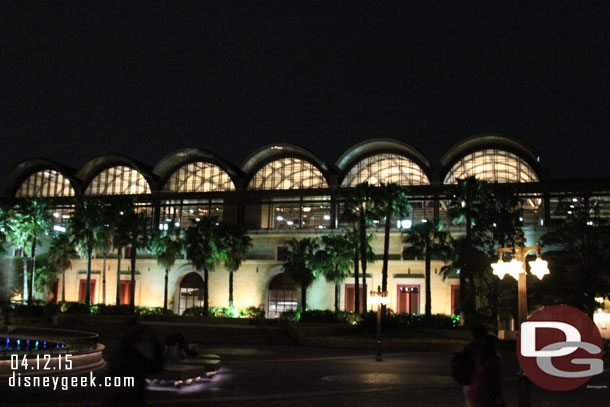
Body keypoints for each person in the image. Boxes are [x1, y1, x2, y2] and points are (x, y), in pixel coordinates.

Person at [468, 334, 505, 407]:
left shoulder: (478, 358)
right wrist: (498, 397)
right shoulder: (493, 361)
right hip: (487, 397)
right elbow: (494, 381)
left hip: (475, 395)